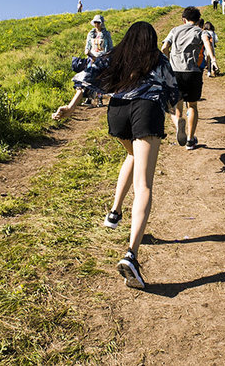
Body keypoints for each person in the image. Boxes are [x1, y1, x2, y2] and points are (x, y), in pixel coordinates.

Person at [53, 21, 180, 289]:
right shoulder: (158, 58)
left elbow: (88, 73)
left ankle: (114, 212)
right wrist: (178, 122)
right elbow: (173, 91)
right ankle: (131, 255)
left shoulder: (116, 54)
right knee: (144, 184)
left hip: (118, 111)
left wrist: (72, 107)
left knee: (132, 156)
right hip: (145, 110)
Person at [161, 6, 218, 150]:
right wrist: (213, 59)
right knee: (192, 106)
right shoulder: (201, 31)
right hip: (193, 72)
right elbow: (207, 43)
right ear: (198, 20)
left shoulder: (174, 30)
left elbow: (164, 48)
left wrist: (168, 62)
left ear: (183, 19)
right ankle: (190, 140)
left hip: (175, 72)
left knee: (176, 108)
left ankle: (179, 122)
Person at [84, 14, 113, 106]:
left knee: (101, 78)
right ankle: (89, 98)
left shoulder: (106, 34)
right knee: (90, 77)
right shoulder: (91, 34)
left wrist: (107, 57)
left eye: (98, 22)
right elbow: (87, 45)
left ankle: (100, 99)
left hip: (102, 57)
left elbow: (110, 47)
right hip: (92, 57)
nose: (97, 24)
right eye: (95, 22)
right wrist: (88, 52)